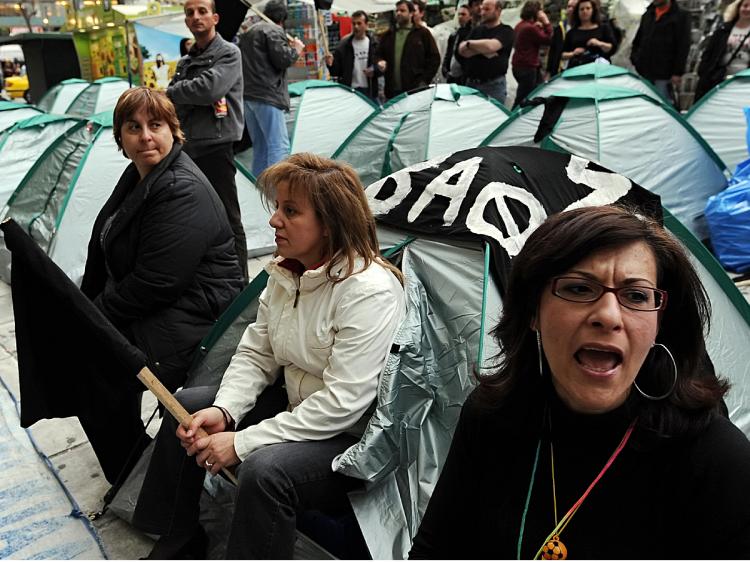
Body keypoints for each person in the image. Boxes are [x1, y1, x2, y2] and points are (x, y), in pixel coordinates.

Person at [408, 205, 750, 558]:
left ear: (659, 322)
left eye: (636, 296)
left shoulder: (715, 459)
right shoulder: (492, 417)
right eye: (578, 288)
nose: (607, 316)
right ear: (532, 311)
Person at [132, 153, 405, 559]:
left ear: (330, 224)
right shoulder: (288, 272)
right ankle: (176, 535)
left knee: (264, 471)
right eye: (277, 207)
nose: (275, 220)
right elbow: (256, 352)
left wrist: (242, 442)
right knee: (188, 405)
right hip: (300, 406)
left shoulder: (369, 291)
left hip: (352, 437)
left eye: (290, 210)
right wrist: (225, 411)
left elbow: (343, 405)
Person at [79, 87, 244, 487]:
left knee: (95, 376)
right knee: (87, 366)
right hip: (166, 312)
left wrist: (94, 316)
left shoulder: (180, 188)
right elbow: (107, 249)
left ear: (174, 130)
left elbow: (156, 282)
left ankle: (136, 474)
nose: (145, 136)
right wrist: (84, 308)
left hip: (193, 324)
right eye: (133, 128)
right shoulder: (142, 176)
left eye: (156, 125)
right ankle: (136, 468)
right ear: (120, 138)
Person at [168, 0, 248, 281]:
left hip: (216, 146)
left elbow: (210, 89)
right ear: (186, 21)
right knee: (194, 218)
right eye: (190, 13)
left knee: (228, 218)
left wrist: (176, 91)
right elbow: (182, 101)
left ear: (215, 17)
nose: (196, 17)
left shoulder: (229, 53)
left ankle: (241, 283)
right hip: (188, 148)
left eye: (202, 11)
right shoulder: (185, 62)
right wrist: (182, 94)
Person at [238, 0, 304, 178]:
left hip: (249, 96)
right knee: (278, 145)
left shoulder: (248, 32)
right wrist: (296, 49)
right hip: (268, 95)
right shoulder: (273, 30)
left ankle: (258, 187)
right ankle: (277, 189)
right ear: (282, 18)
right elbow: (283, 59)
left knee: (260, 146)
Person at [375, 0, 440, 100]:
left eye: (402, 10)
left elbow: (434, 58)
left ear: (411, 13)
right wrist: (380, 61)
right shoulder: (389, 35)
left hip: (414, 90)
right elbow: (378, 54)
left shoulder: (422, 33)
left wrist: (423, 81)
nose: (398, 13)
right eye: (397, 11)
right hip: (392, 91)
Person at [630, 0, 691, 104]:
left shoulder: (681, 16)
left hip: (665, 74)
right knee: (645, 104)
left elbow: (683, 46)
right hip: (645, 72)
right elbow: (638, 40)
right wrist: (636, 59)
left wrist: (677, 72)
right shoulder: (648, 15)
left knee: (662, 105)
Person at [458, 0, 515, 105]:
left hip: (493, 87)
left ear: (498, 11)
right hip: (471, 84)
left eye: (487, 9)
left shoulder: (506, 31)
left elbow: (491, 46)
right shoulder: (477, 30)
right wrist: (481, 48)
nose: (483, 13)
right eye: (482, 9)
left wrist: (470, 45)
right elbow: (462, 50)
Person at [695, 0, 750, 100]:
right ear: (738, 8)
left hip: (745, 84)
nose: (748, 9)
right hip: (720, 80)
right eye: (745, 6)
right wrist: (704, 73)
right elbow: (709, 53)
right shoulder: (723, 29)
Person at [325, 10, 379, 101]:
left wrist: (375, 70)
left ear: (366, 25)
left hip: (370, 91)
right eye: (353, 24)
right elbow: (336, 72)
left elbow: (381, 66)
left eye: (359, 23)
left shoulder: (374, 44)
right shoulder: (343, 45)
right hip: (351, 91)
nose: (356, 27)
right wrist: (330, 64)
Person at [511, 1, 552, 107]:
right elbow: (548, 39)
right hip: (527, 67)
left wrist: (537, 26)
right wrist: (546, 22)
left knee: (538, 90)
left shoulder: (520, 25)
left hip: (519, 66)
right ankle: (512, 118)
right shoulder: (530, 28)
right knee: (523, 98)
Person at [561, 0, 615, 69]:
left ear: (593, 10)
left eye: (588, 8)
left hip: (600, 68)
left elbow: (611, 47)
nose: (585, 11)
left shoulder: (604, 28)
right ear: (577, 12)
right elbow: (563, 54)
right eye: (582, 9)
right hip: (577, 69)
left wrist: (599, 43)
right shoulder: (572, 33)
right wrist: (573, 53)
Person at [442, 4, 473, 84]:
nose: (460, 17)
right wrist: (445, 69)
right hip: (451, 76)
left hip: (463, 77)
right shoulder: (454, 35)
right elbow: (449, 54)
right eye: (459, 14)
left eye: (463, 14)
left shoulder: (472, 34)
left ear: (470, 17)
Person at [546, 0, 577, 78]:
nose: (570, 9)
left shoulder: (583, 28)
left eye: (574, 7)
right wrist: (548, 71)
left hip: (575, 70)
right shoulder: (560, 28)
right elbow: (553, 50)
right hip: (559, 70)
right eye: (569, 6)